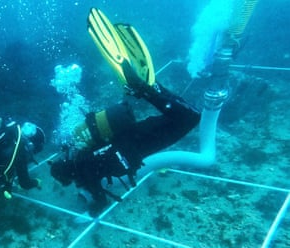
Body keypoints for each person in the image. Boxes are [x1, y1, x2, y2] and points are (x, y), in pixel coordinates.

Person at [49, 8, 201, 216]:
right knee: (183, 116)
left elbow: (99, 202)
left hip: (143, 141)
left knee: (189, 118)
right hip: (136, 134)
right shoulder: (79, 154)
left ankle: (144, 89)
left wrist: (90, 211)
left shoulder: (84, 172)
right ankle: (149, 89)